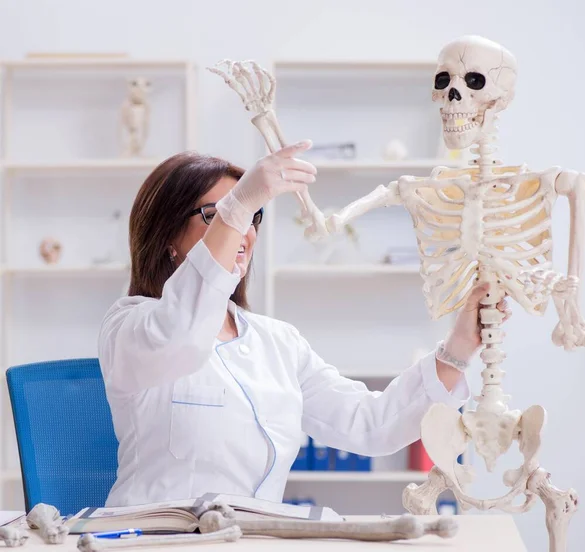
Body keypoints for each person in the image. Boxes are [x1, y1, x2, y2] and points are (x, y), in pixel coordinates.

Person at [98, 140, 510, 507]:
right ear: (167, 237)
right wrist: (239, 205)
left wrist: (458, 348)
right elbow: (182, 337)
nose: (243, 230)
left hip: (253, 540)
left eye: (252, 216)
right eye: (217, 215)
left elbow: (370, 424)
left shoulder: (277, 342)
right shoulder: (130, 328)